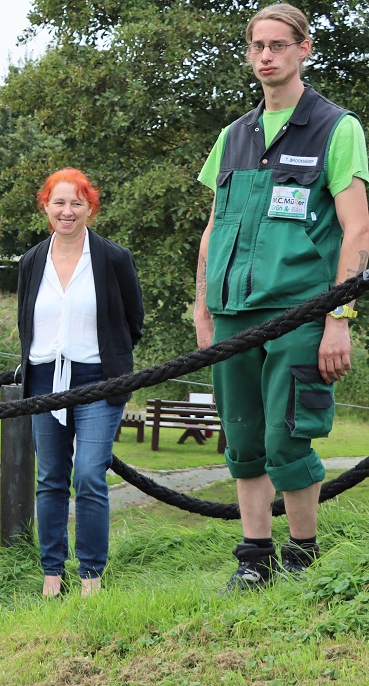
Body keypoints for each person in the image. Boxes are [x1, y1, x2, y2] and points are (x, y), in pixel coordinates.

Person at [192, 3, 369, 591]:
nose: (266, 55)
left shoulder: (337, 128)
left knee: (286, 438)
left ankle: (302, 556)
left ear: (303, 49)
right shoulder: (232, 136)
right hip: (232, 313)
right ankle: (254, 558)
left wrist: (339, 317)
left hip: (300, 313)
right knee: (243, 438)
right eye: (257, 46)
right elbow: (214, 228)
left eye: (278, 45)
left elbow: (358, 231)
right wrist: (202, 306)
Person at [17, 168, 144, 598]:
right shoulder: (31, 261)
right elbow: (25, 322)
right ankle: (53, 573)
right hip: (43, 381)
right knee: (51, 477)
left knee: (89, 474)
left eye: (76, 203)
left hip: (98, 381)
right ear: (46, 207)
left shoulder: (113, 258)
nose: (67, 211)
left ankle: (91, 574)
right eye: (59, 202)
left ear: (90, 207)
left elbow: (133, 322)